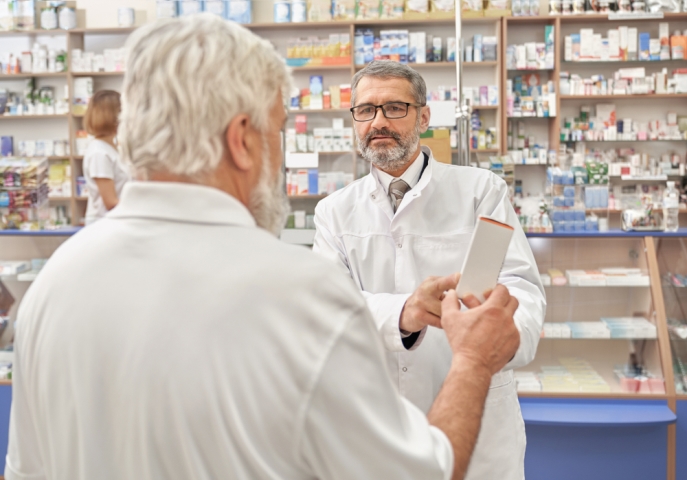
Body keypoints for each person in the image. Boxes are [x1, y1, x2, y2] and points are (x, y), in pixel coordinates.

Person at [6, 15, 522, 480]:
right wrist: (474, 361)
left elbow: (26, 469)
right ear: (242, 139)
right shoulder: (293, 292)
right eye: (277, 131)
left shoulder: (56, 283)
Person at [313, 60, 546, 480]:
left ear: (423, 116)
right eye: (365, 110)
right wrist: (405, 311)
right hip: (377, 423)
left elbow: (522, 290)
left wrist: (500, 337)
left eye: (394, 108)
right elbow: (326, 310)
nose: (378, 121)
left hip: (479, 421)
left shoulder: (481, 191)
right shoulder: (334, 212)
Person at [82, 90, 131, 224]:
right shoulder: (99, 153)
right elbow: (110, 202)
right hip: (104, 224)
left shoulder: (111, 148)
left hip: (117, 222)